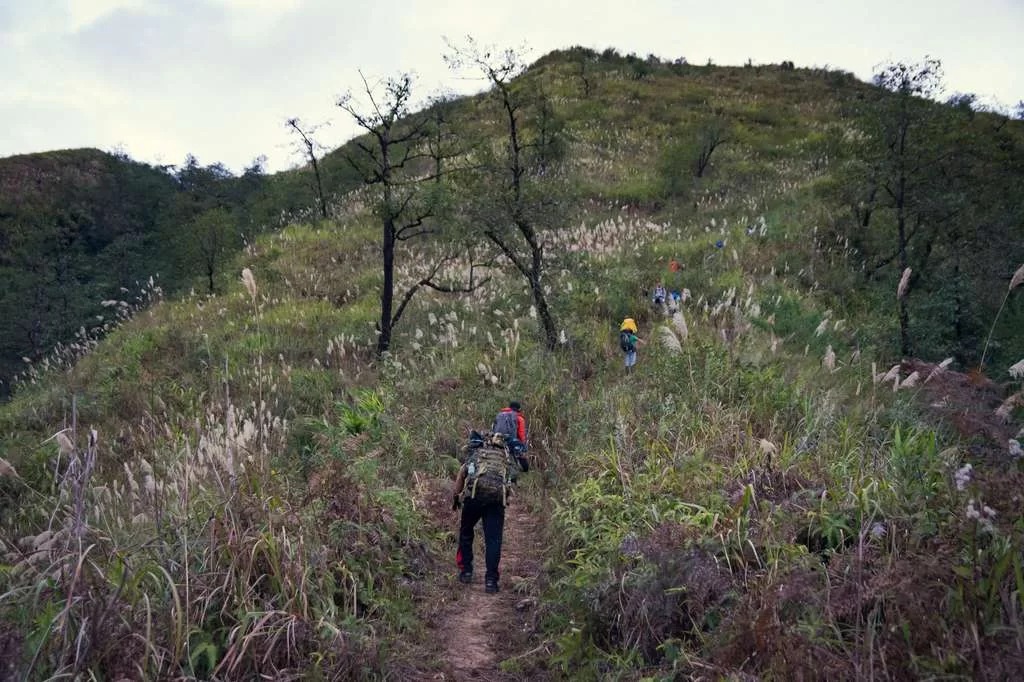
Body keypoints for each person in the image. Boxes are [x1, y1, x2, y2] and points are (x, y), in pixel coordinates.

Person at [453, 411, 529, 594]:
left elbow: (464, 470)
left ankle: (466, 572)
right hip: (496, 499)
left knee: (466, 532)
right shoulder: (509, 447)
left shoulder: (479, 442)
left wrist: (456, 496)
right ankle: (491, 582)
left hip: (474, 496)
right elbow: (524, 468)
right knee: (493, 540)